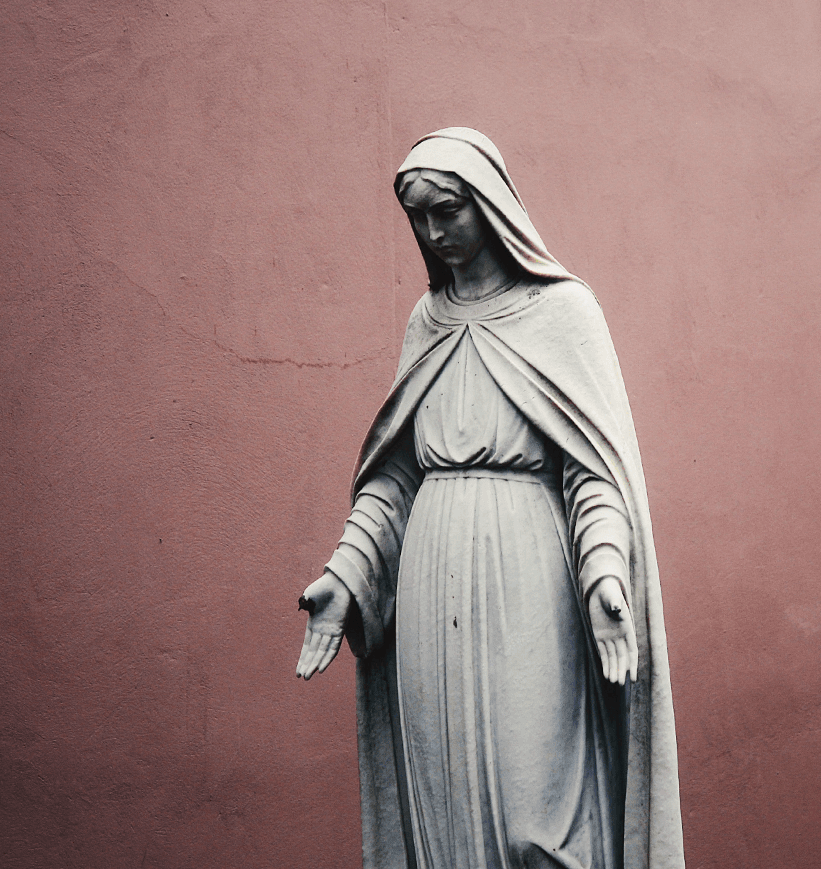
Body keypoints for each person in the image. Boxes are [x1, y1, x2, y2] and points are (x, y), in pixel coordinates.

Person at [293, 129, 683, 869]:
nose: (434, 232)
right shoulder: (426, 322)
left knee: (537, 816)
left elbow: (593, 473)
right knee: (441, 807)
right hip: (429, 593)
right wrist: (348, 572)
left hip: (532, 590)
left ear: (491, 205)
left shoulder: (564, 314)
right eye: (418, 217)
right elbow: (396, 475)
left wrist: (605, 572)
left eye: (448, 210)